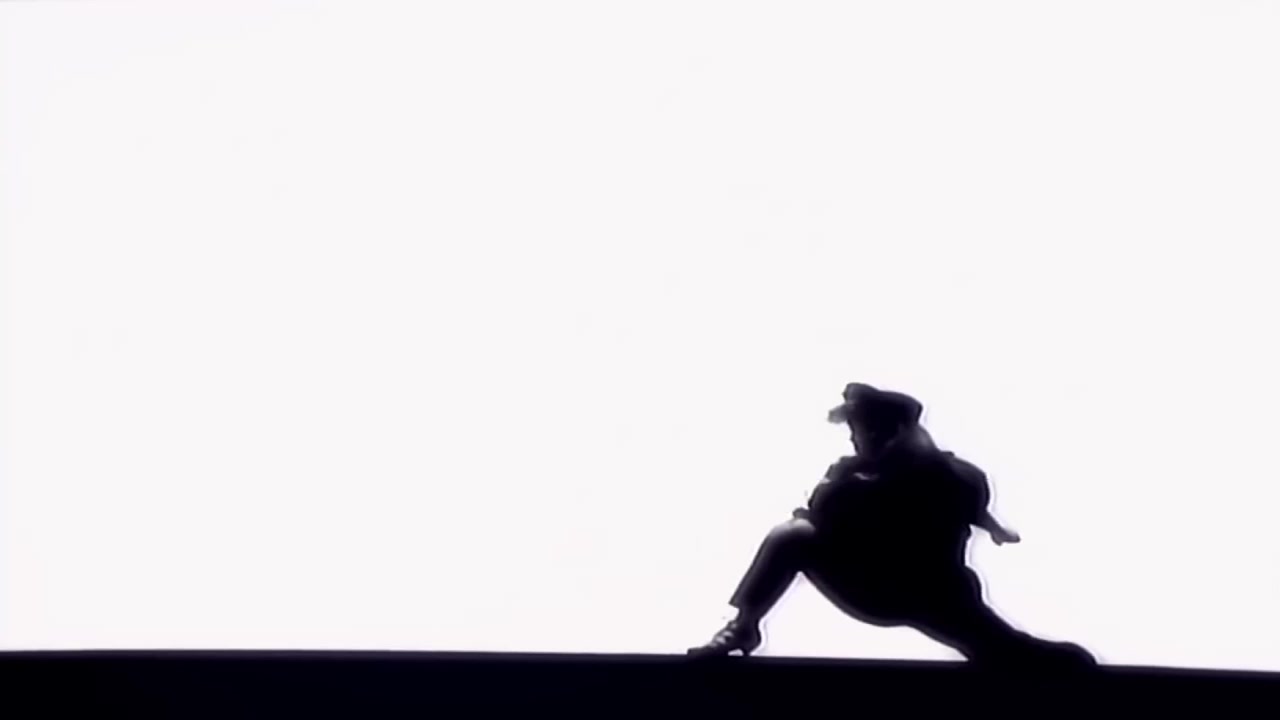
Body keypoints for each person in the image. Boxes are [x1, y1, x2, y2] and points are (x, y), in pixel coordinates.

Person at [686, 383, 1095, 670]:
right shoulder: (851, 476)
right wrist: (847, 484)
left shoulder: (951, 474)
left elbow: (966, 498)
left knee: (1007, 653)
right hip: (874, 586)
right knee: (792, 535)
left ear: (895, 432)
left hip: (935, 594)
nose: (855, 442)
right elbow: (821, 517)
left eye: (861, 432)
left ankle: (1026, 662)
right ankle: (744, 626)